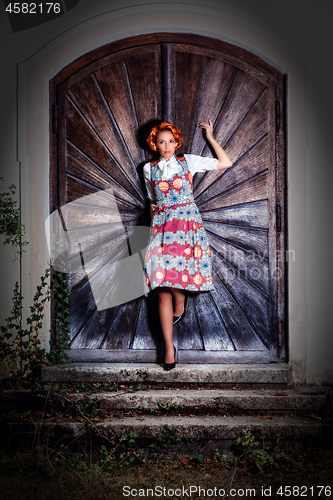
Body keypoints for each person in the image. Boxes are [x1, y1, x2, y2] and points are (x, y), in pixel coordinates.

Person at [143, 120, 232, 370]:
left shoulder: (187, 161)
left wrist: (211, 137)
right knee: (160, 285)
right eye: (161, 142)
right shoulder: (149, 169)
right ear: (155, 144)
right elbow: (152, 203)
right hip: (161, 229)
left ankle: (180, 302)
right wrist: (152, 237)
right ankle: (169, 349)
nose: (167, 146)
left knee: (172, 282)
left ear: (176, 142)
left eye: (170, 141)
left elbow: (225, 163)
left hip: (185, 228)